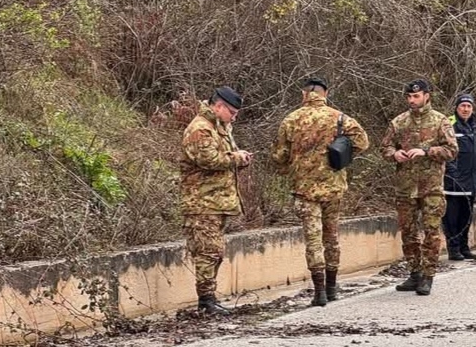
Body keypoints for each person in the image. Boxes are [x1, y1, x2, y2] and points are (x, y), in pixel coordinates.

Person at [271, 77, 370, 306]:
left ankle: (319, 293)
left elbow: (279, 156)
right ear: (326, 93)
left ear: (304, 94)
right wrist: (342, 154)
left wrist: (291, 166)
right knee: (331, 238)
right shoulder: (340, 117)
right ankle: (332, 288)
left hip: (305, 190)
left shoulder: (291, 120)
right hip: (333, 187)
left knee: (313, 240)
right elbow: (363, 142)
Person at [381, 79, 459, 296]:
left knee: (431, 232)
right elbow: (385, 147)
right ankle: (414, 272)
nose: (412, 100)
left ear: (426, 96)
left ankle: (428, 275)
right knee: (408, 232)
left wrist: (427, 151)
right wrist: (394, 154)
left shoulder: (440, 121)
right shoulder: (399, 122)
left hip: (431, 187)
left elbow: (452, 150)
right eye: (409, 96)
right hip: (405, 188)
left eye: (416, 96)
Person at [179, 86, 253, 314]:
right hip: (202, 203)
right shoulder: (200, 128)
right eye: (232, 112)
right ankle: (206, 302)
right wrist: (236, 158)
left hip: (216, 202)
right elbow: (209, 160)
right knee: (207, 252)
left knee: (215, 252)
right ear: (219, 106)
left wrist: (239, 158)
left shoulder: (219, 128)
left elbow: (222, 157)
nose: (234, 117)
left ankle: (209, 299)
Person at [443, 93, 476, 261]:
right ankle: (453, 248)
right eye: (463, 106)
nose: (466, 109)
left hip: (472, 180)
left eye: (469, 106)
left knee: (466, 216)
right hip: (454, 181)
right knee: (452, 217)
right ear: (457, 108)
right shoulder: (449, 124)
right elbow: (447, 153)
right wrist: (453, 174)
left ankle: (464, 247)